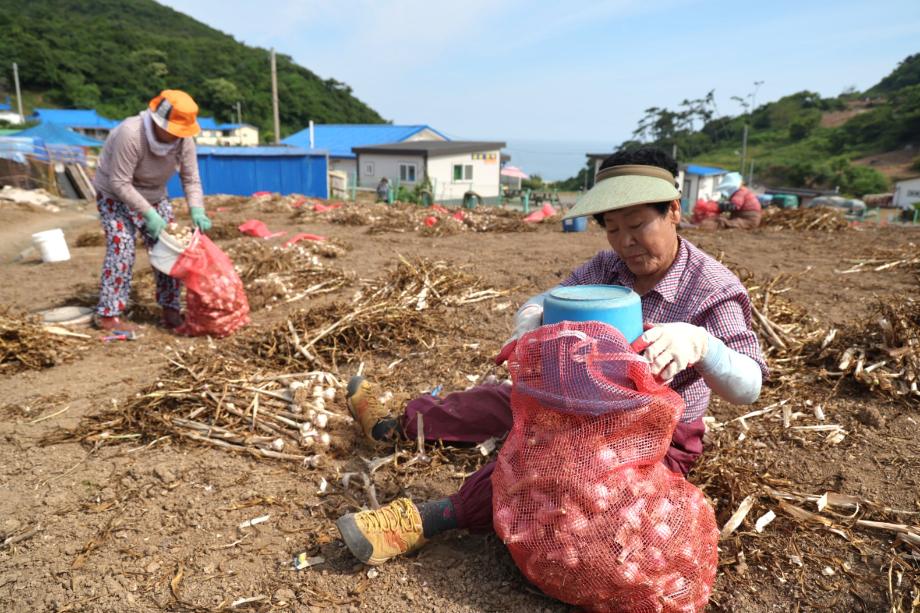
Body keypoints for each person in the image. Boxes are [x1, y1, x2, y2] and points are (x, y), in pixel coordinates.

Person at [334, 146, 767, 567]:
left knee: (557, 463)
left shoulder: (711, 287)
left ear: (673, 210)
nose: (626, 243)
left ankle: (432, 518)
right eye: (612, 228)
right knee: (492, 402)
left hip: (654, 434)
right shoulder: (607, 268)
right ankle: (397, 426)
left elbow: (748, 385)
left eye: (637, 224)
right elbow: (549, 297)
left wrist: (703, 346)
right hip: (575, 402)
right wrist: (532, 315)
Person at [92, 90, 211, 331]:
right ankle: (108, 314)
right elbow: (120, 182)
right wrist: (149, 214)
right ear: (159, 121)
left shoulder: (183, 140)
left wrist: (197, 209)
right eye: (173, 129)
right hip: (115, 196)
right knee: (122, 247)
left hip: (155, 195)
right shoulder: (131, 133)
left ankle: (170, 309)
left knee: (171, 249)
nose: (177, 135)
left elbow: (191, 179)